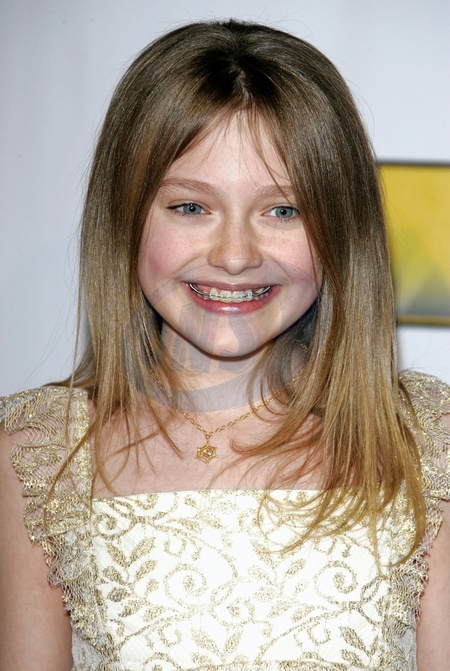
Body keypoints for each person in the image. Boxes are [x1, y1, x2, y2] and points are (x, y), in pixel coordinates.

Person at [0, 19, 449, 671]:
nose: (235, 255)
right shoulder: (35, 456)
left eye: (283, 210)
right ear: (124, 216)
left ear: (341, 230)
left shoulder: (427, 442)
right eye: (191, 207)